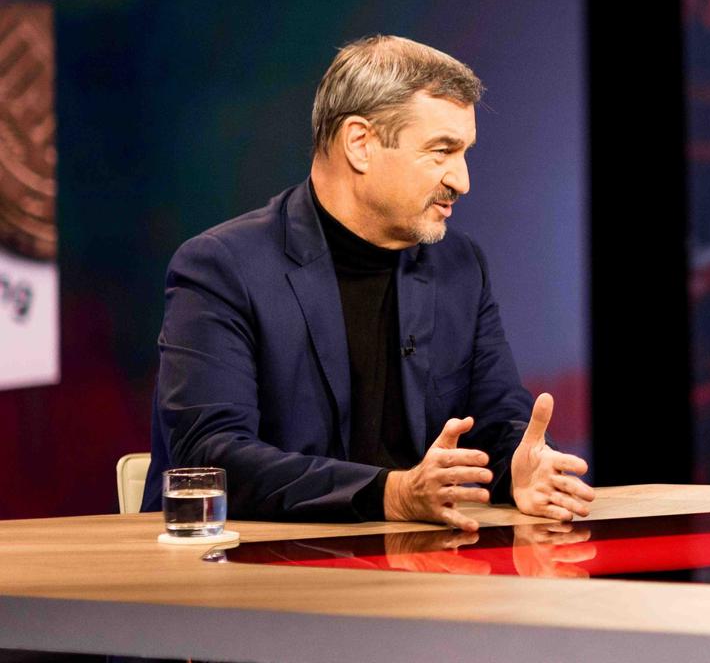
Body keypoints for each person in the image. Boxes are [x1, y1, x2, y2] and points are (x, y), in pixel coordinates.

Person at [142, 35, 594, 531]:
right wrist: (391, 493)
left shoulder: (459, 266)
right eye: (441, 151)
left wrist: (519, 468)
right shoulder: (223, 268)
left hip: (415, 574)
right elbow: (210, 458)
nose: (462, 180)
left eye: (464, 152)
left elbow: (497, 419)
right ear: (360, 143)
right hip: (247, 576)